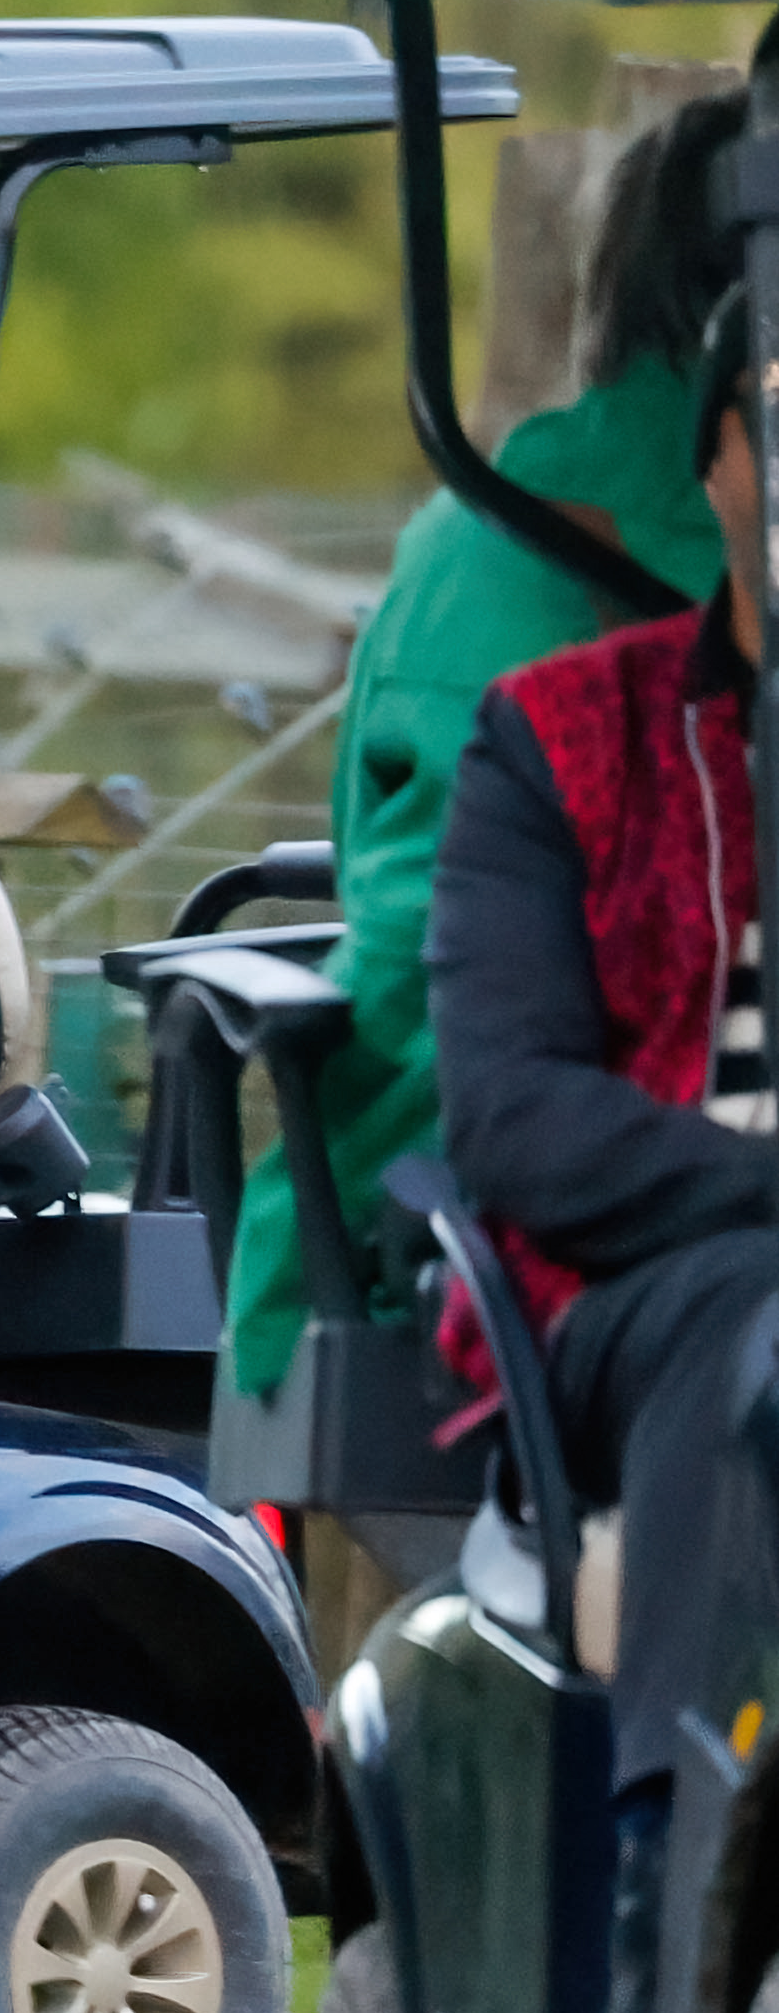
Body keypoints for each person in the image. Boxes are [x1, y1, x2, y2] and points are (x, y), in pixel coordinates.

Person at [222, 91, 742, 1406]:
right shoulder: (647, 579)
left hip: (419, 1176)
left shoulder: (474, 539)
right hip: (534, 1212)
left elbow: (361, 836)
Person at [430, 286, 778, 2013]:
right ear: (719, 454)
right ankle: (679, 1892)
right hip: (655, 1292)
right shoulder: (565, 737)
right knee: (761, 1336)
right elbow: (520, 1121)